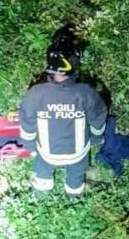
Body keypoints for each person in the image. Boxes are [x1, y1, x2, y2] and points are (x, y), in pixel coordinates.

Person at [18, 37, 108, 198]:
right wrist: (96, 138)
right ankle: (73, 197)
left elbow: (27, 125)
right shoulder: (86, 93)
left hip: (46, 155)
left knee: (42, 171)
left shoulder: (36, 93)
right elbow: (99, 119)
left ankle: (41, 195)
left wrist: (30, 147)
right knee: (76, 175)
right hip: (78, 155)